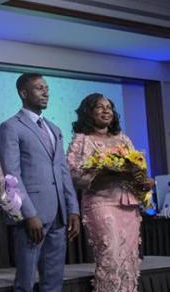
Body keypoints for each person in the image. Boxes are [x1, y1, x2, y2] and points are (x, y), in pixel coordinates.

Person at [0, 73, 80, 292]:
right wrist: (28, 214)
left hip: (59, 216)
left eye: (47, 88)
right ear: (23, 93)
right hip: (32, 217)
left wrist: (73, 209)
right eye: (39, 88)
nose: (45, 92)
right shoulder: (10, 127)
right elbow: (11, 176)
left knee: (54, 282)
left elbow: (62, 171)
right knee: (25, 282)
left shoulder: (54, 129)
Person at [66, 93, 154, 292]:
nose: (106, 110)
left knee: (130, 261)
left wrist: (145, 181)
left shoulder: (123, 139)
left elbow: (138, 171)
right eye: (100, 107)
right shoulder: (82, 140)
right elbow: (73, 174)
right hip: (101, 203)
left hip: (129, 206)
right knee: (111, 257)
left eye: (109, 107)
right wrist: (103, 173)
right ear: (89, 112)